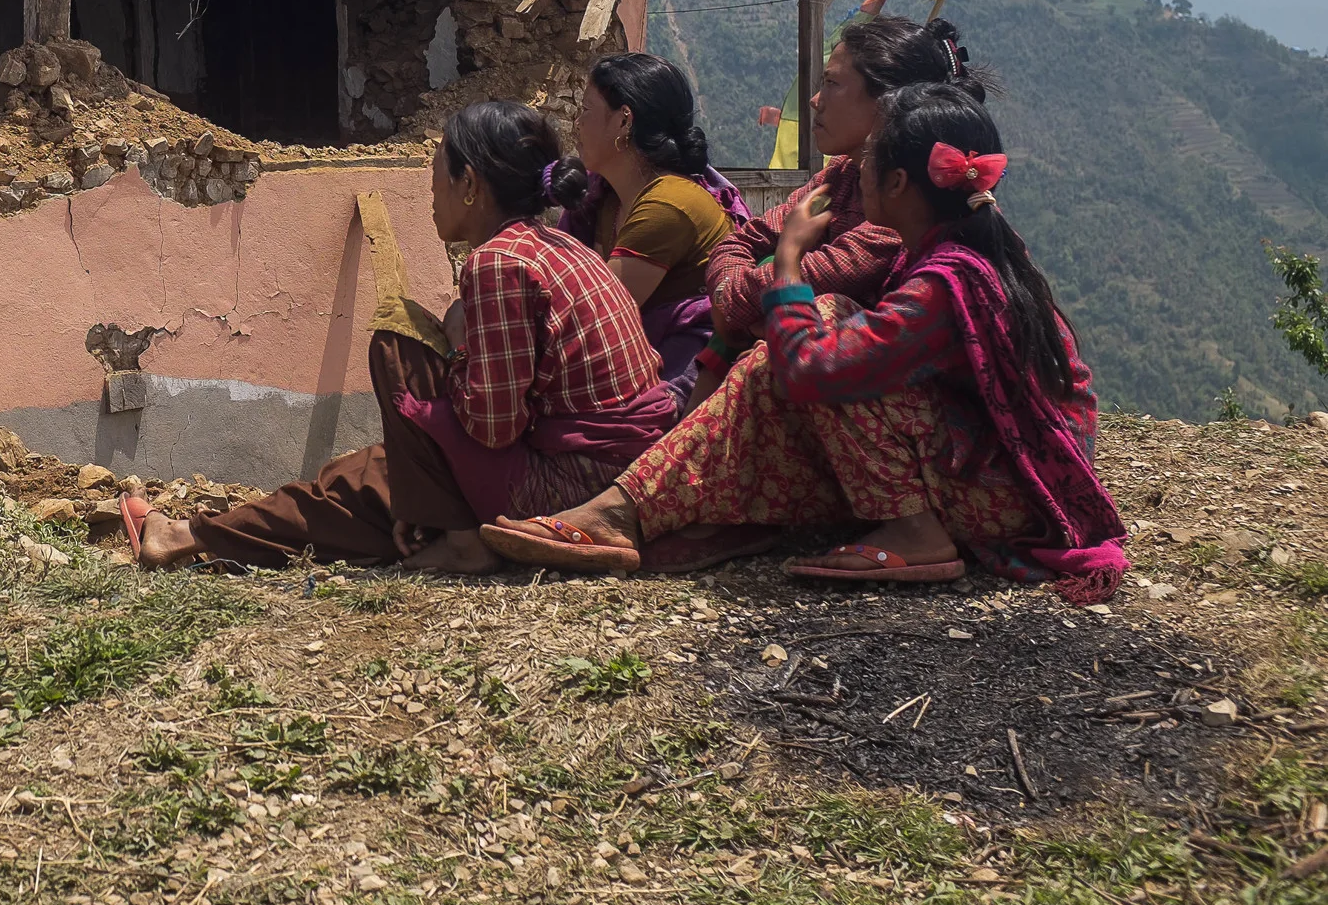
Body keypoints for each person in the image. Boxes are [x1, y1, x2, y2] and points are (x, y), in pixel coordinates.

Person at [479, 84, 1129, 602]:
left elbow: (809, 372)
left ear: (899, 184)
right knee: (820, 320)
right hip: (978, 459)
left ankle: (914, 531)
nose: (855, 169)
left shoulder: (943, 282)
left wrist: (788, 258)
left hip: (1010, 490)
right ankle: (640, 512)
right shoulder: (951, 251)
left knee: (811, 330)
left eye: (871, 159)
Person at [130, 99, 678, 574]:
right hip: (622, 473)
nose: (431, 193)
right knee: (364, 480)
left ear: (470, 185)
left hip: (571, 491)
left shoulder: (498, 262)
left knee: (398, 341)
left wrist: (457, 343)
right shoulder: (564, 248)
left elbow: (494, 428)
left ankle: (463, 543)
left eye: (437, 176)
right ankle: (185, 535)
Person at [705, 17, 990, 364]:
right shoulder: (841, 176)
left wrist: (733, 301)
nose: (815, 100)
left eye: (831, 83)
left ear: (887, 103)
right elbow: (741, 242)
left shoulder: (902, 212)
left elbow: (797, 283)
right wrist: (735, 303)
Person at [560, 53, 744, 407]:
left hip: (681, 386)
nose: (577, 123)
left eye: (585, 110)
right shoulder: (605, 201)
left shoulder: (668, 204)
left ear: (623, 121)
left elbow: (593, 319)